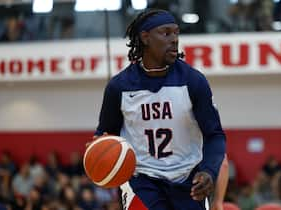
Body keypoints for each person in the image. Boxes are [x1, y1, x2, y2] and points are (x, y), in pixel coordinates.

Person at [94, 9, 226, 210]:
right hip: (142, 179)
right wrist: (99, 146)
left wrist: (208, 171)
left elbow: (215, 135)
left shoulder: (193, 81)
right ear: (145, 38)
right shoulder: (119, 87)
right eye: (166, 33)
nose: (174, 39)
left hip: (188, 179)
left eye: (176, 33)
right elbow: (106, 134)